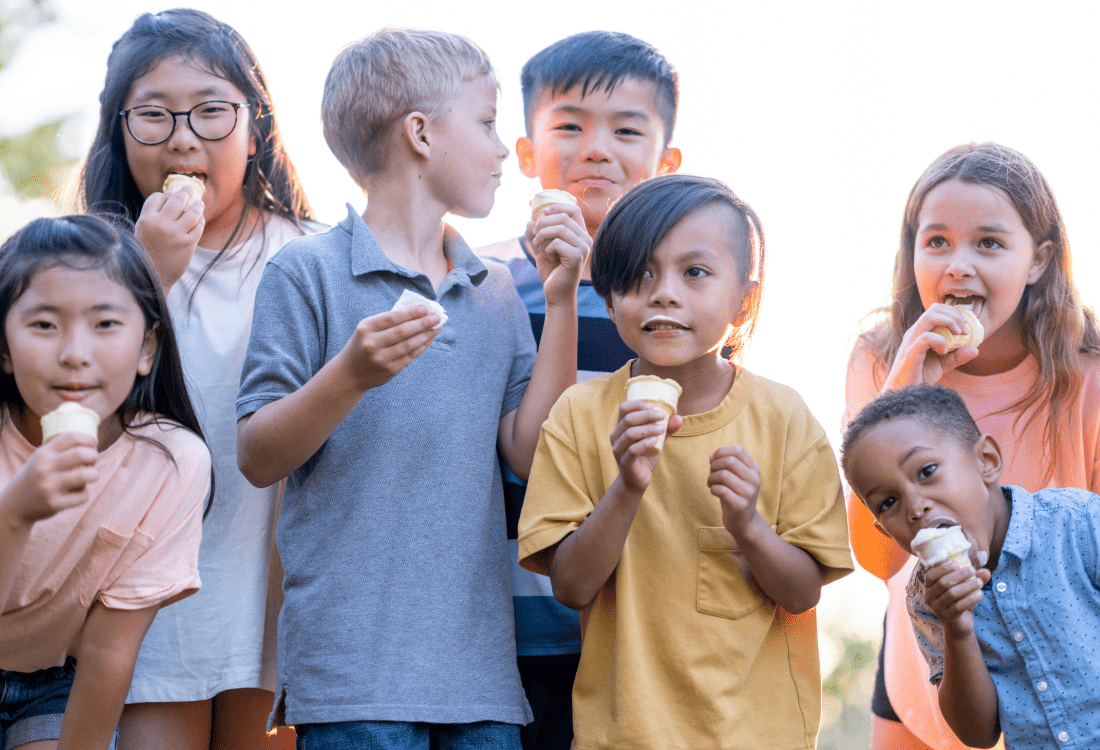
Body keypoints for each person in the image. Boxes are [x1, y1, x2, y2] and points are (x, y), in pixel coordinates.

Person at [235, 28, 586, 749]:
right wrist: (350, 376)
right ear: (421, 134)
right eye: (487, 123)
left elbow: (527, 451)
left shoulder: (491, 292)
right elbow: (258, 454)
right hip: (351, 679)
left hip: (482, 679)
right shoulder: (307, 273)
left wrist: (559, 301)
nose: (501, 149)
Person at [517, 174, 853, 749]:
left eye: (694, 272)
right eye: (639, 275)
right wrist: (626, 485)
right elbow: (571, 587)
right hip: (621, 737)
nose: (664, 293)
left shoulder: (784, 419)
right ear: (609, 295)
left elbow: (801, 593)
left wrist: (747, 525)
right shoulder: (580, 415)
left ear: (744, 298)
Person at [77, 9, 317, 748]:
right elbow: (68, 419)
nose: (183, 137)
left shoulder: (311, 256)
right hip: (146, 595)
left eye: (212, 111)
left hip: (275, 586)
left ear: (257, 126)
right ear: (119, 130)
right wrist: (143, 277)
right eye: (153, 115)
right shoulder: (86, 265)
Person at [844, 141, 1100, 750]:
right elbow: (879, 558)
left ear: (1038, 260)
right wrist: (902, 386)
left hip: (1070, 694)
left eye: (988, 243)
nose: (958, 264)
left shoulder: (1088, 378)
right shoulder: (879, 357)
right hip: (928, 670)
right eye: (937, 242)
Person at [477, 30, 681, 750]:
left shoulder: (680, 303)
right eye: (570, 126)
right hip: (504, 629)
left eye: (626, 130)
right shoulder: (483, 282)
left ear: (666, 161)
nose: (597, 148)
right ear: (526, 152)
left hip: (634, 630)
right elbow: (530, 453)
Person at [0, 215, 210, 750]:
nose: (74, 353)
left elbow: (109, 654)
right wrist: (14, 514)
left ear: (146, 348)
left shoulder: (171, 463)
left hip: (49, 682)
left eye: (105, 324)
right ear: (3, 348)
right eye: (44, 325)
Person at [842, 384, 1100, 749]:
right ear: (883, 529)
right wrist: (957, 629)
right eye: (887, 502)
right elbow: (978, 733)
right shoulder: (927, 599)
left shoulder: (1077, 524)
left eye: (926, 471)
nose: (915, 507)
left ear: (987, 461)